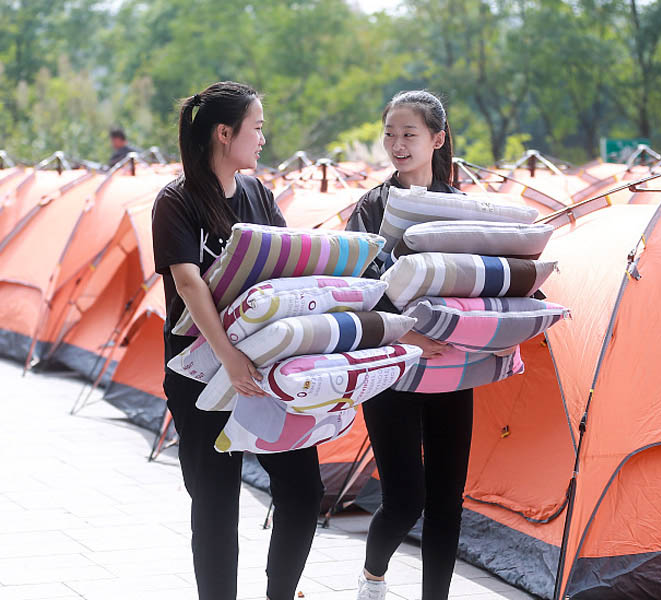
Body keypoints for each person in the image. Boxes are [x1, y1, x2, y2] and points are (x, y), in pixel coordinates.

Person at [151, 81, 323, 600]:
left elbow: (286, 263)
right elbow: (188, 283)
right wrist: (228, 358)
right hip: (201, 371)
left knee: (302, 488)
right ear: (225, 134)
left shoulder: (257, 194)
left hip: (266, 366)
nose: (264, 138)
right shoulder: (176, 202)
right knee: (214, 503)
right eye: (258, 127)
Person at [346, 90, 511, 600]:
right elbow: (354, 286)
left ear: (437, 139)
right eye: (390, 133)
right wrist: (407, 333)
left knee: (446, 500)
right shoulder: (372, 206)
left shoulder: (462, 207)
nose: (397, 144)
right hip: (392, 367)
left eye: (409, 134)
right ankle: (373, 575)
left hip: (451, 370)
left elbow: (488, 281)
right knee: (404, 498)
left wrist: (503, 336)